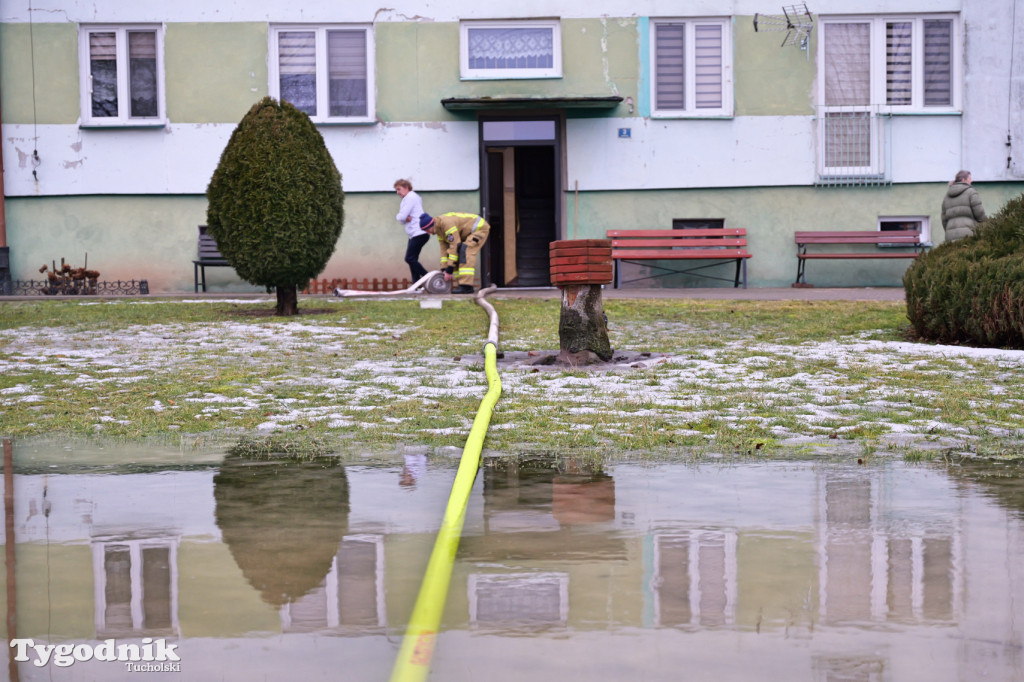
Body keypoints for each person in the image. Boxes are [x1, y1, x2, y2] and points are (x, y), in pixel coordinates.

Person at [419, 211, 491, 294]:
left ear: (431, 225)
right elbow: (444, 250)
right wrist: (444, 268)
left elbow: (455, 245)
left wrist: (449, 269)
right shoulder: (439, 231)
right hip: (467, 233)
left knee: (465, 250)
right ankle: (461, 284)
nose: (428, 233)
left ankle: (466, 286)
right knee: (454, 253)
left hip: (480, 228)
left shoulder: (446, 224)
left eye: (427, 230)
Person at [394, 179, 429, 281]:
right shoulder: (410, 198)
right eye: (396, 190)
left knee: (409, 258)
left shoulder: (411, 198)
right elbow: (402, 220)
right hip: (414, 234)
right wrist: (403, 218)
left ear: (406, 187)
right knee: (413, 260)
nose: (398, 193)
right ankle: (416, 284)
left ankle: (427, 277)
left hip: (419, 232)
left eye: (399, 189)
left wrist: (400, 217)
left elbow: (401, 217)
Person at [941, 170, 987, 242]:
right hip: (968, 233)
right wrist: (986, 226)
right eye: (969, 179)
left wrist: (949, 230)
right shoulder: (971, 192)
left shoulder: (947, 196)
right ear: (963, 180)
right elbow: (979, 212)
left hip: (950, 236)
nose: (971, 181)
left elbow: (944, 219)